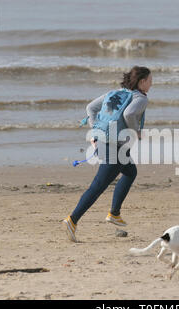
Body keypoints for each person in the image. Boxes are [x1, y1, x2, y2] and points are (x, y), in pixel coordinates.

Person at [63, 66, 152, 242]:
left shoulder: (115, 93)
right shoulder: (140, 98)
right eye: (150, 80)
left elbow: (90, 108)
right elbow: (129, 113)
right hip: (116, 146)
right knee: (98, 186)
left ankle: (114, 213)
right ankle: (72, 220)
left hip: (103, 140)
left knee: (130, 172)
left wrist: (95, 130)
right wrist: (135, 133)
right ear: (142, 82)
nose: (152, 84)